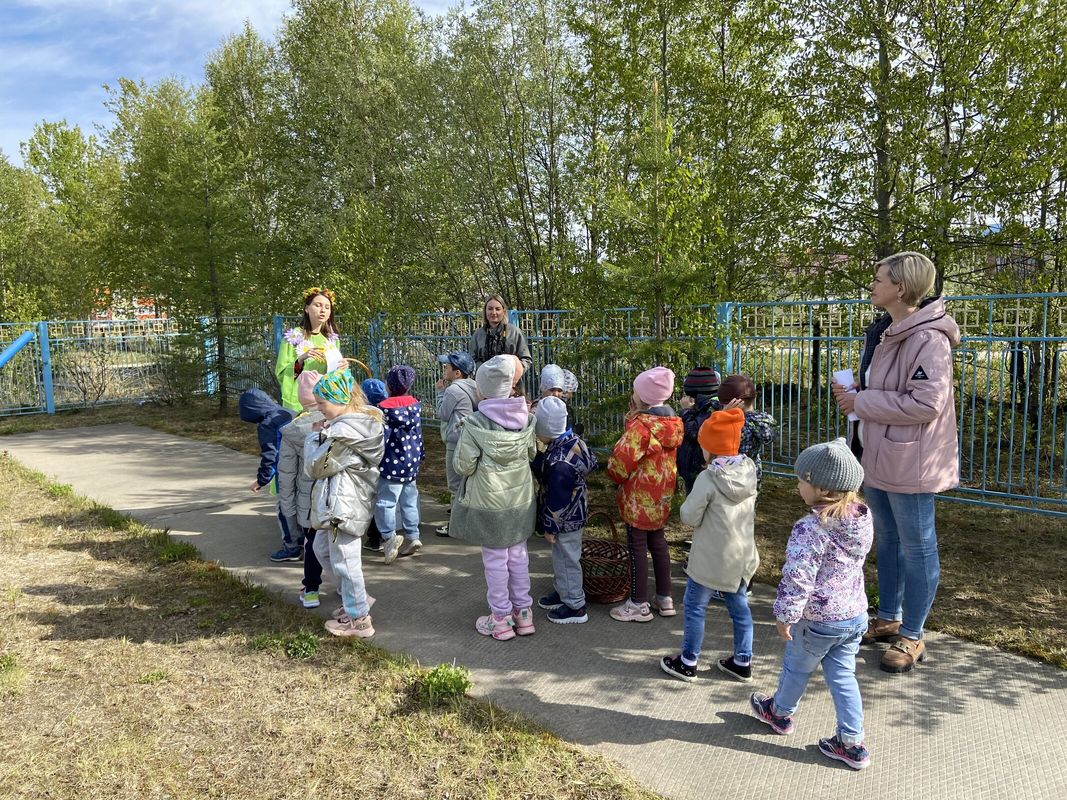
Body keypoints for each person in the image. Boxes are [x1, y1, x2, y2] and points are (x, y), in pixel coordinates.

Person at [831, 251, 960, 674]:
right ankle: (889, 617)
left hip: (912, 461)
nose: (872, 284)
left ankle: (914, 633)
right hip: (879, 452)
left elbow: (927, 403)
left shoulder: (928, 339)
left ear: (900, 288)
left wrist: (861, 401)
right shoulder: (891, 332)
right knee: (886, 538)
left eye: (879, 278)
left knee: (919, 545)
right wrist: (856, 398)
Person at [749, 438, 874, 771]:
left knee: (797, 667)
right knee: (843, 677)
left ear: (820, 488)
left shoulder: (811, 528)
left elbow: (798, 576)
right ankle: (852, 743)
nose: (797, 486)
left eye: (801, 480)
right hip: (853, 615)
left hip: (817, 619)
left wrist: (785, 615)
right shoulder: (861, 518)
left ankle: (779, 713)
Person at [661, 406, 758, 684]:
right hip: (740, 556)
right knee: (739, 608)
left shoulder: (709, 478)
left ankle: (688, 660)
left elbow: (689, 515)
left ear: (710, 449)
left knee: (694, 606)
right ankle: (742, 660)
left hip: (709, 558)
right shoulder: (748, 471)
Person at [450, 355, 538, 640]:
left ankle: (500, 618)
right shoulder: (526, 417)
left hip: (490, 504)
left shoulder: (475, 423)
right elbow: (532, 454)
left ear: (482, 390)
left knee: (495, 560)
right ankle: (524, 614)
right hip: (520, 502)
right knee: (519, 556)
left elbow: (463, 465)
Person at [305, 369, 385, 638]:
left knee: (345, 561)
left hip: (342, 506)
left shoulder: (343, 435)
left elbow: (315, 467)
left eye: (321, 403)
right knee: (322, 550)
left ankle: (359, 618)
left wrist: (312, 438)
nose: (319, 409)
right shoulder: (351, 428)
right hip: (339, 502)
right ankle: (356, 601)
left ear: (339, 400)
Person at [607, 366, 684, 623]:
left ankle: (638, 603)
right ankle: (665, 597)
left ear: (642, 397)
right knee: (659, 544)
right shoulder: (673, 424)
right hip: (661, 497)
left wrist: (615, 477)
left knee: (637, 546)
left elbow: (621, 461)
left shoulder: (641, 428)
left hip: (639, 500)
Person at [533, 396, 598, 624]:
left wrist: (549, 526)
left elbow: (558, 499)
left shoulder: (560, 462)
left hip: (565, 518)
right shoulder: (572, 442)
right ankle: (563, 592)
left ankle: (575, 604)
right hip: (575, 511)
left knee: (568, 558)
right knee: (561, 556)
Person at [276, 370, 333, 608]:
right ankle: (345, 587)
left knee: (312, 545)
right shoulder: (337, 421)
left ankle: (311, 590)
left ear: (300, 399)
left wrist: (287, 510)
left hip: (309, 502)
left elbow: (286, 475)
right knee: (338, 544)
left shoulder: (292, 430)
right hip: (335, 496)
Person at [237, 387, 297, 561]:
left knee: (283, 509)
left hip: (285, 472)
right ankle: (301, 540)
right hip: (301, 469)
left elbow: (270, 456)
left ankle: (291, 548)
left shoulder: (267, 425)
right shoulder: (287, 412)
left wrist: (261, 481)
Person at [376, 365, 425, 564]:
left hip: (390, 464)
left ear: (388, 384)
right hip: (410, 462)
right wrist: (421, 454)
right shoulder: (414, 405)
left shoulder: (384, 408)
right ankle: (413, 536)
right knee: (409, 500)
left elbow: (382, 437)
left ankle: (389, 537)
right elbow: (418, 434)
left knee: (386, 502)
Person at [275, 287, 344, 412]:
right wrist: (301, 359)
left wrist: (342, 368)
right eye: (318, 305)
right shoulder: (293, 337)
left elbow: (334, 374)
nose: (323, 310)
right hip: (299, 401)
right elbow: (282, 373)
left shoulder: (332, 340)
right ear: (307, 309)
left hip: (324, 401)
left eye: (327, 307)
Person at [433, 351, 478, 537]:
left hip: (455, 440)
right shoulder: (475, 386)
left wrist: (440, 392)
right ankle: (469, 521)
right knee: (469, 483)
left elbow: (443, 414)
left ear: (457, 373)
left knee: (455, 485)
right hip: (471, 440)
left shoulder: (453, 389)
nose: (444, 370)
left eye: (447, 367)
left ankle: (456, 526)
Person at [676, 366, 722, 495]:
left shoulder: (710, 407)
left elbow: (694, 432)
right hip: (695, 465)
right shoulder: (703, 405)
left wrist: (686, 411)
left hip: (699, 466)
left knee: (698, 503)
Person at [468, 295, 532, 376]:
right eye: (490, 309)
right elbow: (471, 360)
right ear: (485, 311)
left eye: (497, 309)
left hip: (511, 384)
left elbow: (526, 360)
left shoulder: (514, 333)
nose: (493, 312)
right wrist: (485, 370)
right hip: (484, 383)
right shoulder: (478, 335)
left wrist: (514, 373)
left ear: (503, 311)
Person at [360, 378, 388, 552]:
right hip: (386, 465)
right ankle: (386, 534)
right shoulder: (387, 413)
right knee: (384, 501)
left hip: (368, 467)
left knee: (369, 502)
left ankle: (374, 538)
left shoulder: (362, 416)